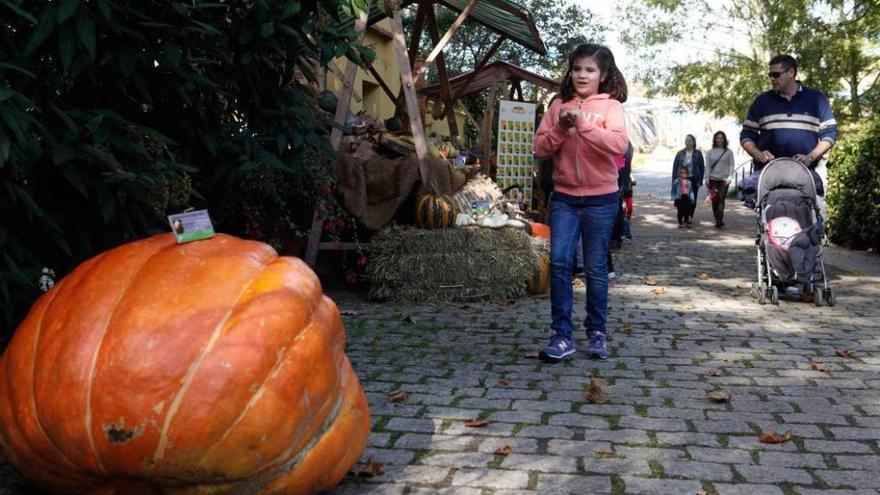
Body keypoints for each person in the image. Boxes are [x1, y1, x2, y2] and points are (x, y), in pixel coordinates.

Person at [534, 43, 628, 362]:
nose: (582, 75)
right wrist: (561, 126)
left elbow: (618, 144)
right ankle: (561, 336)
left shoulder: (611, 107)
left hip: (602, 199)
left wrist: (584, 125)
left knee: (596, 267)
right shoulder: (558, 105)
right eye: (576, 69)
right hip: (564, 198)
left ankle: (596, 333)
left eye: (589, 70)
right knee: (559, 261)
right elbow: (540, 148)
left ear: (603, 76)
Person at [740, 54, 837, 197]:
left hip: (806, 173)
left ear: (791, 73)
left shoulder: (816, 99)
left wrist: (810, 157)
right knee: (765, 213)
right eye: (770, 75)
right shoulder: (761, 101)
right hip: (768, 173)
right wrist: (758, 154)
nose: (772, 79)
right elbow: (747, 135)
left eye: (776, 74)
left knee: (813, 214)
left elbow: (829, 134)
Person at [671, 135, 704, 227]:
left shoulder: (698, 154)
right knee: (681, 199)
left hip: (693, 179)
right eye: (686, 141)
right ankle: (682, 217)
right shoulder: (680, 153)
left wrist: (700, 180)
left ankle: (689, 217)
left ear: (693, 142)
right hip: (682, 179)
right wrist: (674, 180)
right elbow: (675, 168)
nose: (687, 142)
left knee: (692, 199)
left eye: (689, 141)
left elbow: (701, 168)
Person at [704, 131, 735, 227]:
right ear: (715, 139)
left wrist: (730, 177)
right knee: (714, 200)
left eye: (721, 138)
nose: (719, 140)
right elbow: (708, 166)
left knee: (721, 200)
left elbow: (731, 165)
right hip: (713, 179)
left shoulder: (729, 152)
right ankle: (717, 218)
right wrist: (707, 178)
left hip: (724, 180)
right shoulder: (710, 152)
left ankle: (719, 220)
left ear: (724, 139)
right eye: (718, 138)